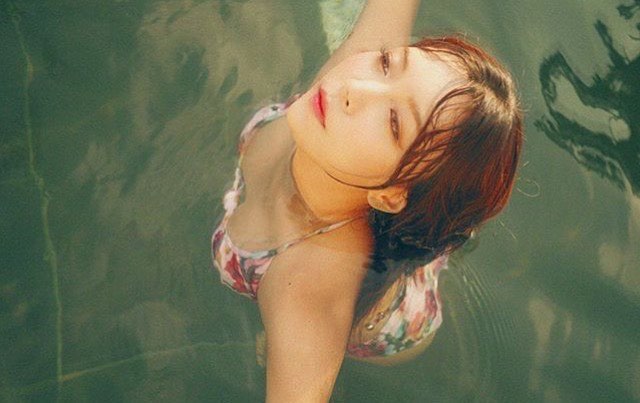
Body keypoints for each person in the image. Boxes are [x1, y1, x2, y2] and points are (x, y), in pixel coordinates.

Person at [211, 0, 523, 401]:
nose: (355, 88)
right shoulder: (340, 98)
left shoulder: (306, 292)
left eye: (393, 122)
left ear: (391, 194)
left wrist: (297, 344)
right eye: (388, 63)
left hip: (390, 325)